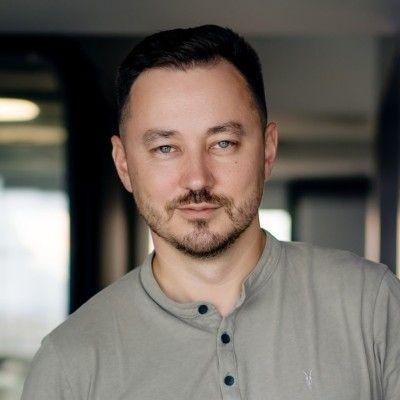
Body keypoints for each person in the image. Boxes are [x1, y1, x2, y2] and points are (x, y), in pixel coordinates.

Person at [21, 24, 400, 400]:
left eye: (223, 143)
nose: (197, 179)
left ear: (267, 151)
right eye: (165, 148)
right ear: (123, 164)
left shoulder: (371, 305)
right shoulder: (69, 365)